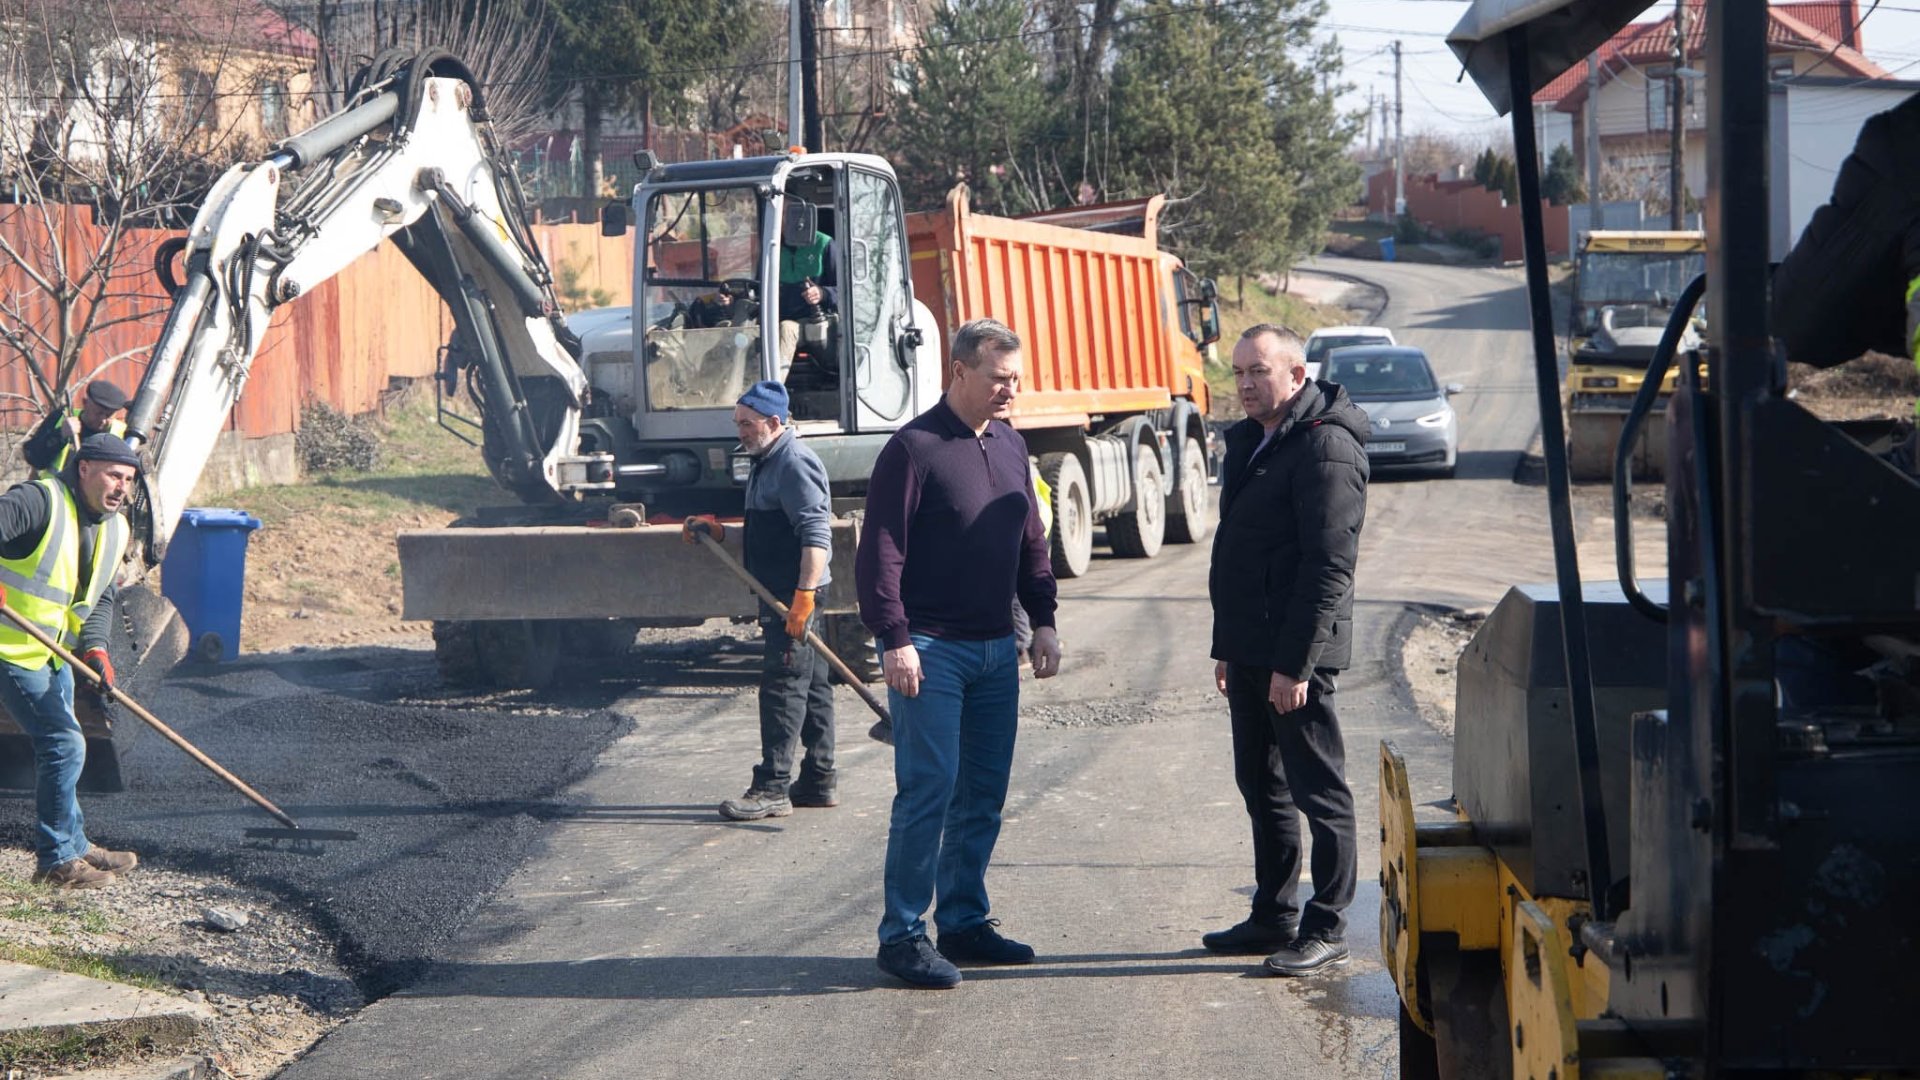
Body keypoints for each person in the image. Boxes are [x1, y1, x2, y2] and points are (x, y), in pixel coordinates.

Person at [857, 317, 1061, 989]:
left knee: (982, 794)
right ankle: (902, 935)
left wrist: (1044, 621)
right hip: (931, 648)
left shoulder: (1011, 445)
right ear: (960, 372)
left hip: (997, 649)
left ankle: (965, 922)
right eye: (999, 379)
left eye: (1016, 379)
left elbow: (1031, 542)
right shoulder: (913, 449)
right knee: (930, 789)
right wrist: (894, 638)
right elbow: (880, 551)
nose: (1010, 390)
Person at [1204, 324, 1369, 977]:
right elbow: (1245, 555)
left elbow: (1328, 568)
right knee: (1261, 784)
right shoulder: (1254, 439)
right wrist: (1229, 646)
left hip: (1297, 659)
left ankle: (1327, 927)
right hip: (1250, 649)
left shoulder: (1326, 447)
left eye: (1259, 371)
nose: (1245, 384)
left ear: (1297, 375)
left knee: (1318, 791)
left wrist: (1294, 664)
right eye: (1239, 372)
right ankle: (1273, 915)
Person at [683, 381, 837, 820]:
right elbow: (766, 534)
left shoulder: (793, 462)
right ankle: (819, 780)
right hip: (787, 592)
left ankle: (772, 787)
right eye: (737, 423)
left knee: (783, 686)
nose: (741, 432)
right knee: (813, 686)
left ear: (773, 421)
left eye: (747, 424)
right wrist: (719, 533)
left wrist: (804, 597)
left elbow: (816, 535)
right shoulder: (765, 460)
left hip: (794, 594)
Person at [0, 433, 142, 889]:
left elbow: (101, 596)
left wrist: (96, 647)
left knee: (65, 741)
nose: (121, 487)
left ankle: (74, 843)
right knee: (64, 742)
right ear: (84, 469)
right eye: (114, 476)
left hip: (54, 652)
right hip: (9, 648)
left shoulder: (117, 528)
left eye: (128, 480)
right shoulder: (37, 501)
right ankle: (57, 862)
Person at [23, 381, 130, 477]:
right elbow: (33, 457)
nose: (103, 420)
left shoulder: (123, 434)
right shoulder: (61, 417)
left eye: (108, 415)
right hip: (55, 491)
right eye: (98, 413)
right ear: (85, 403)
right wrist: (60, 435)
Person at [776, 222, 838, 378]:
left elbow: (847, 291)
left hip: (811, 319)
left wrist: (822, 293)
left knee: (787, 328)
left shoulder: (824, 244)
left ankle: (771, 389)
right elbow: (756, 286)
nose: (783, 221)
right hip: (771, 319)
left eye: (786, 214)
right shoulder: (771, 247)